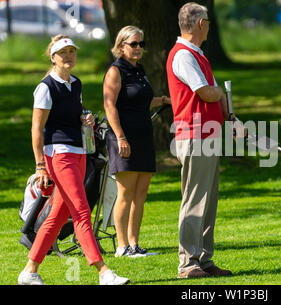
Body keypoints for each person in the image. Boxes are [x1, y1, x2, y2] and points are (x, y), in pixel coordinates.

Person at [18, 34, 129, 285]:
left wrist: (86, 118)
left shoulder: (76, 83)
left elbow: (74, 115)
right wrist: (40, 165)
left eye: (72, 51)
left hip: (78, 152)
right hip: (58, 155)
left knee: (59, 213)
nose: (68, 56)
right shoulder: (45, 87)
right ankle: (103, 272)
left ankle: (29, 271)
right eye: (63, 52)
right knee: (81, 210)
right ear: (53, 57)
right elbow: (37, 129)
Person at [166, 2, 232, 278]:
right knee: (195, 199)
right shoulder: (183, 55)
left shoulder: (197, 54)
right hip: (194, 135)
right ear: (200, 24)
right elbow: (206, 92)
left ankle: (204, 258)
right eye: (207, 21)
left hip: (207, 135)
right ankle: (188, 262)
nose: (209, 26)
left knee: (208, 200)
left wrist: (228, 114)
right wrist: (219, 92)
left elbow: (215, 94)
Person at [103, 26, 171, 258]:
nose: (139, 48)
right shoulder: (115, 70)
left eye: (141, 44)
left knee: (140, 193)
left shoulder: (139, 69)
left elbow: (138, 100)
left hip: (143, 136)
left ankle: (134, 244)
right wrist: (121, 136)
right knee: (126, 193)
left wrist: (162, 100)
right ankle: (122, 247)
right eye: (134, 44)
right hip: (123, 138)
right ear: (121, 45)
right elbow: (109, 105)